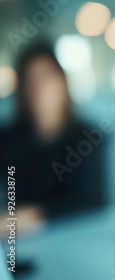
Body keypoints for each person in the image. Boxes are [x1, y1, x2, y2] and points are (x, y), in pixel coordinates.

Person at [0, 41, 107, 234]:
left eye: (46, 78)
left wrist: (28, 218)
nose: (38, 88)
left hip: (72, 241)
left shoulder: (88, 139)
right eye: (30, 80)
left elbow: (91, 202)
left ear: (62, 83)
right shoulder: (7, 139)